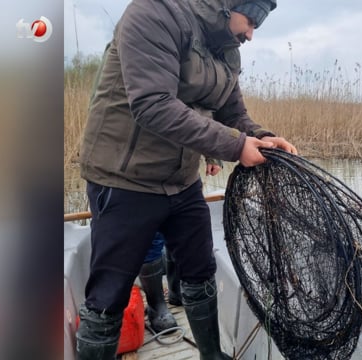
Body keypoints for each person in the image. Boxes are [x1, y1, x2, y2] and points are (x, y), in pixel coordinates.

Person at [75, 0, 297, 359]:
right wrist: (236, 146)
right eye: (252, 20)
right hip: (123, 177)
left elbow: (232, 111)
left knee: (200, 270)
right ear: (227, 5)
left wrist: (260, 135)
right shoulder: (153, 14)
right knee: (109, 294)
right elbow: (153, 104)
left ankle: (211, 355)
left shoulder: (227, 48)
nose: (251, 34)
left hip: (181, 179)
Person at [139, 159, 223, 333]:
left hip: (184, 177)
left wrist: (212, 156)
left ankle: (177, 292)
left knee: (184, 232)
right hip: (142, 179)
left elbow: (201, 130)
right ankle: (157, 306)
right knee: (151, 239)